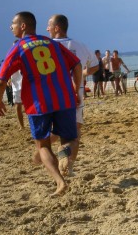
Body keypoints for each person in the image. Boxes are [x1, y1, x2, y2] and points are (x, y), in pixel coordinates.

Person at [0, 11, 82, 196]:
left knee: (42, 146)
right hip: (64, 98)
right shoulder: (51, 42)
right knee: (70, 140)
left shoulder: (19, 47)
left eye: (13, 23)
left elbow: (1, 80)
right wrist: (76, 88)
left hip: (38, 103)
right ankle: (65, 154)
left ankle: (60, 183)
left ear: (23, 26)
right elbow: (77, 65)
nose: (11, 27)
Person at [46, 14, 99, 176]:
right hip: (74, 94)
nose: (47, 28)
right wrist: (82, 73)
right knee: (74, 135)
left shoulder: (46, 46)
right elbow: (96, 66)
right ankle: (68, 165)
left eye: (49, 25)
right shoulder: (80, 46)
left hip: (51, 94)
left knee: (55, 131)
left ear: (57, 28)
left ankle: (44, 152)